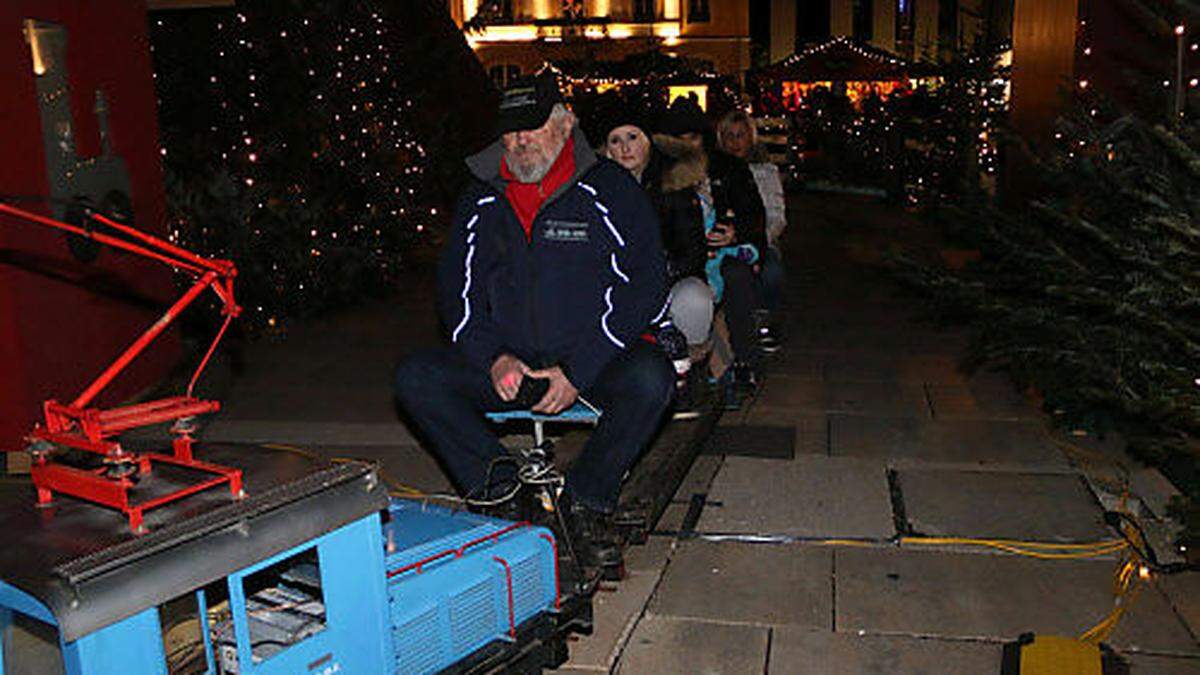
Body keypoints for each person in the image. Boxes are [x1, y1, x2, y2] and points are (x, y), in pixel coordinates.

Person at [394, 74, 674, 575]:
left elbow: (645, 286)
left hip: (591, 363)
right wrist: (493, 356)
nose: (520, 141)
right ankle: (503, 494)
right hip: (512, 367)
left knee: (653, 377)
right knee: (417, 376)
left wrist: (577, 370)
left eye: (532, 128)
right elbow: (457, 296)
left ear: (566, 124)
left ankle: (586, 503)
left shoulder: (609, 189)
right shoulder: (480, 198)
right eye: (510, 131)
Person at [599, 106, 712, 416]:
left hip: (668, 278)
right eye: (615, 140)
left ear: (647, 141)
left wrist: (656, 276)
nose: (625, 148)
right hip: (615, 285)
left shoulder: (674, 185)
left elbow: (692, 250)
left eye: (632, 137)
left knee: (695, 298)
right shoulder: (596, 190)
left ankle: (689, 373)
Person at [653, 97, 767, 398]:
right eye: (680, 139)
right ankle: (690, 369)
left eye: (692, 137)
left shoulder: (728, 167)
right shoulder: (661, 174)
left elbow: (754, 214)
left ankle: (745, 360)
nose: (687, 145)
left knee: (738, 275)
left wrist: (735, 233)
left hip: (725, 252)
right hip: (680, 259)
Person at [717, 110, 786, 353]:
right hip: (722, 242)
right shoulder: (714, 172)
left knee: (771, 270)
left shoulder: (766, 172)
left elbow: (776, 217)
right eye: (729, 136)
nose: (735, 142)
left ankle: (765, 320)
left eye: (741, 135)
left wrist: (757, 244)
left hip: (758, 240)